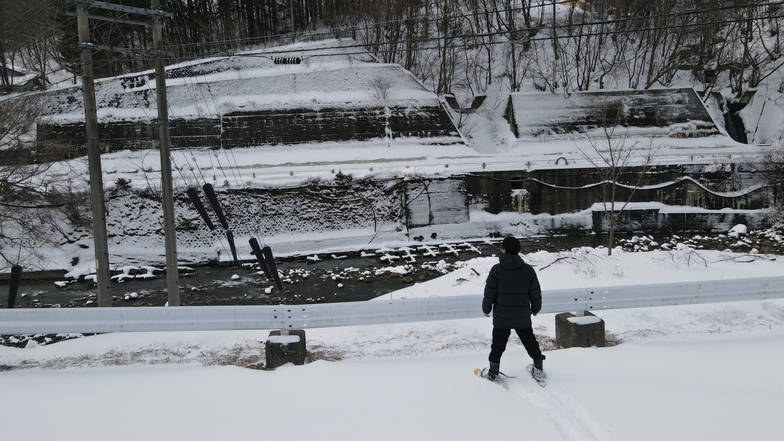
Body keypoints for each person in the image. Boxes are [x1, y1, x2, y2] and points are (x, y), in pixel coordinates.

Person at [482, 236, 545, 382]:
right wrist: (536, 308)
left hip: (502, 317)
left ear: (503, 249)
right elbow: (535, 292)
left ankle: (493, 372)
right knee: (530, 341)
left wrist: (486, 309)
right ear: (518, 250)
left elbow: (490, 292)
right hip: (522, 316)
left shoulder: (496, 270)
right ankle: (538, 368)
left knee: (498, 345)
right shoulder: (527, 270)